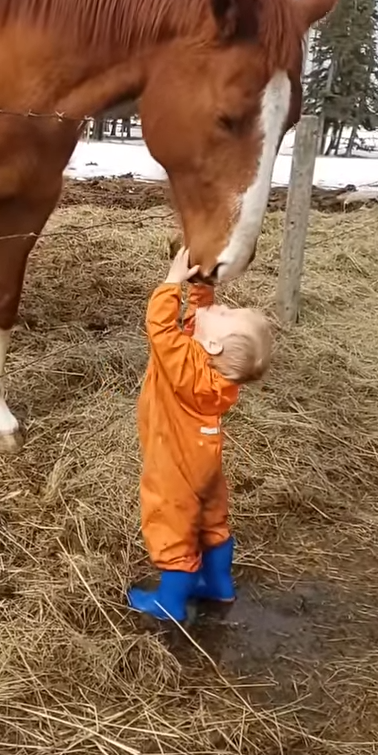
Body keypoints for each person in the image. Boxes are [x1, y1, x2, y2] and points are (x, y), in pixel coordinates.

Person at [128, 247, 272, 623]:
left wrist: (172, 283)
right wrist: (202, 290)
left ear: (213, 346)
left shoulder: (185, 369)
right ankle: (219, 584)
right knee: (211, 519)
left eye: (224, 314)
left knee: (170, 521)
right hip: (205, 467)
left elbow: (161, 330)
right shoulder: (214, 373)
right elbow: (196, 327)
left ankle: (170, 602)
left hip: (175, 468)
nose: (219, 308)